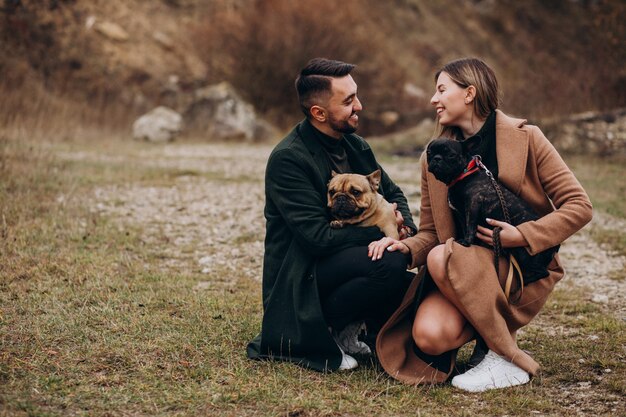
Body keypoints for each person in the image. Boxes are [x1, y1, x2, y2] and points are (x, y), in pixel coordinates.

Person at [371, 57, 592, 391]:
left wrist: (523, 235)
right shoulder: (434, 155)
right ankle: (492, 337)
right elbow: (432, 232)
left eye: (442, 90)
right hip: (459, 269)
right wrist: (405, 246)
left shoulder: (528, 137)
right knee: (430, 337)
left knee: (440, 257)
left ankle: (504, 357)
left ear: (470, 93)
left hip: (518, 265)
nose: (434, 99)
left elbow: (580, 206)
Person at [247, 58, 417, 372]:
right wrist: (383, 233)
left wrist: (404, 228)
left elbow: (393, 194)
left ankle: (357, 330)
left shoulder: (356, 146)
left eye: (357, 96)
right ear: (319, 113)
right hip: (302, 272)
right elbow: (317, 239)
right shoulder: (289, 159)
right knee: (388, 262)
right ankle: (323, 330)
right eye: (349, 101)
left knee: (412, 283)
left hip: (344, 257)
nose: (360, 106)